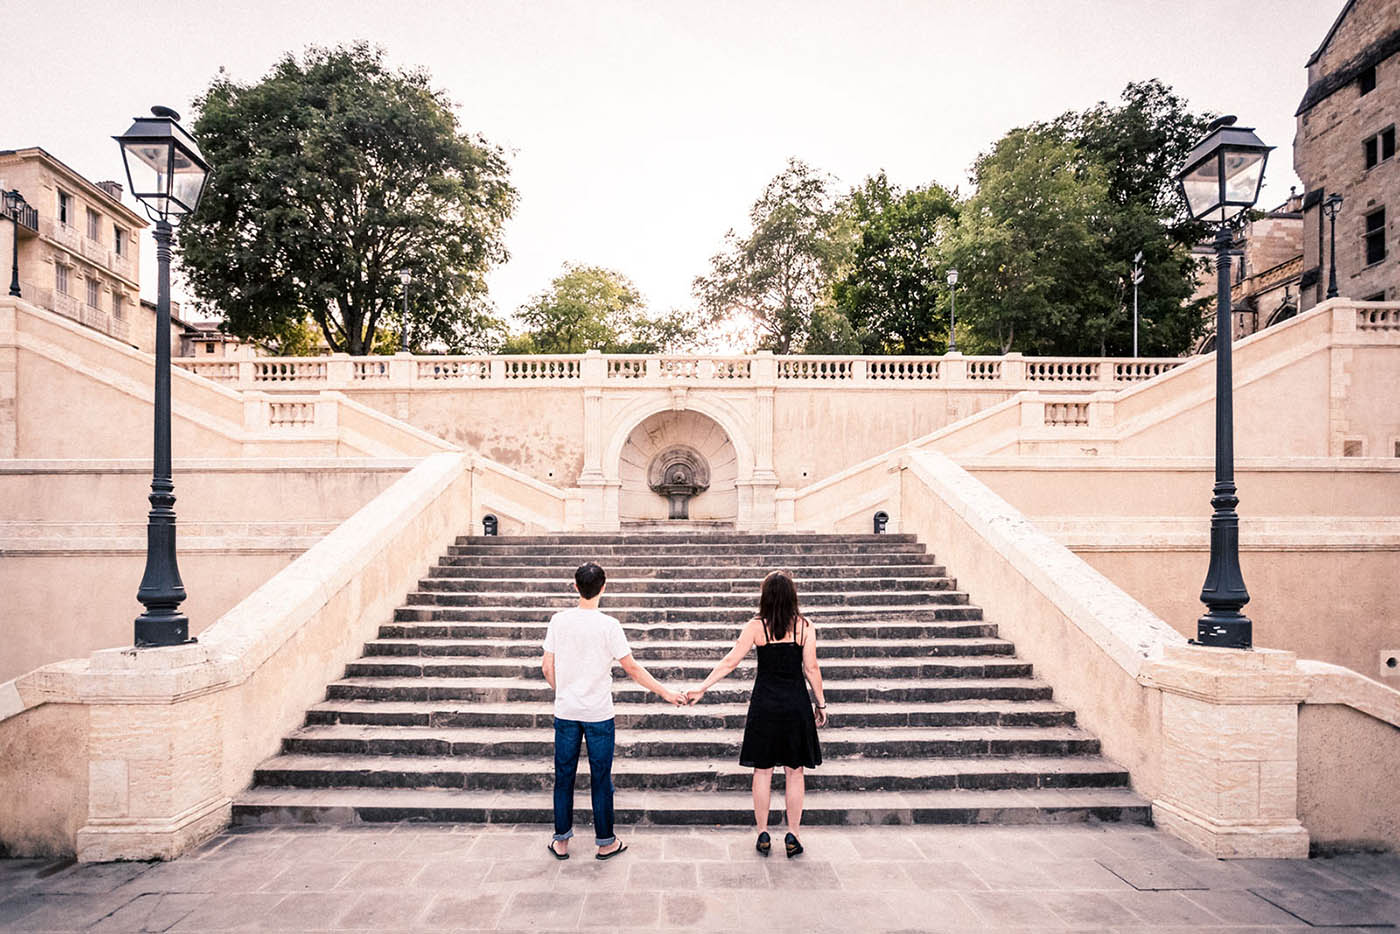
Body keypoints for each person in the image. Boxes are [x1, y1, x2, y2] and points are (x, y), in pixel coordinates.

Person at [542, 561, 684, 861]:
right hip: (599, 713)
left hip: (567, 711)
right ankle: (605, 842)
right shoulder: (609, 625)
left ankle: (562, 842)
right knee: (601, 777)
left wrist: (564, 692)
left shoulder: (559, 621)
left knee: (564, 775)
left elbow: (546, 666)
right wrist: (665, 692)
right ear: (603, 588)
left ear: (575, 586)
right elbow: (631, 668)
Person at [686, 570, 827, 858]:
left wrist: (702, 687)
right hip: (795, 705)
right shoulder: (805, 627)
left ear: (765, 596)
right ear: (792, 596)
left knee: (762, 771)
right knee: (794, 771)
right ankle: (793, 834)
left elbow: (729, 662)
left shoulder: (755, 627)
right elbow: (811, 669)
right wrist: (821, 704)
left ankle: (762, 832)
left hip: (764, 705)